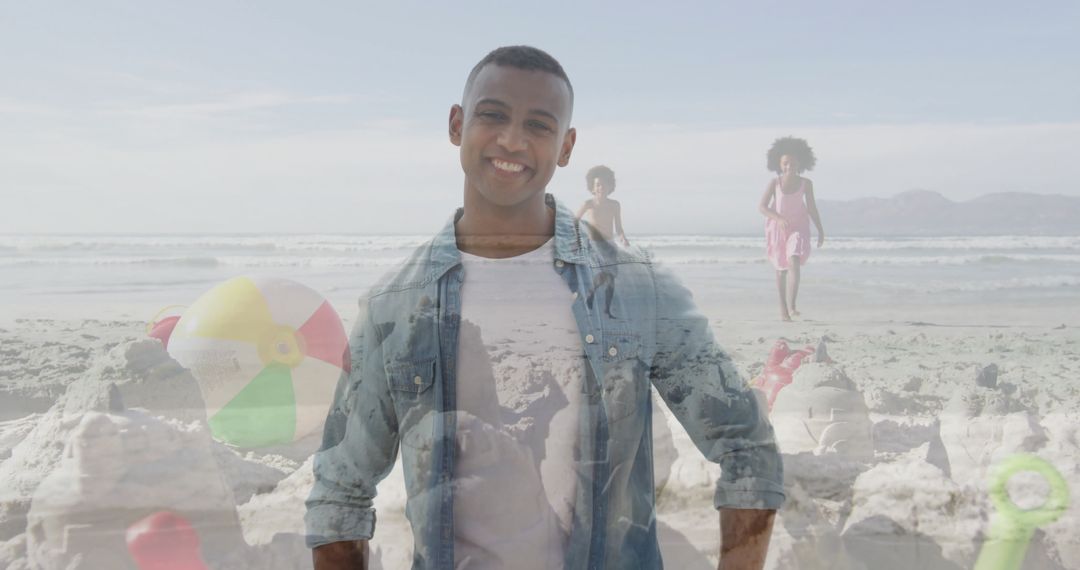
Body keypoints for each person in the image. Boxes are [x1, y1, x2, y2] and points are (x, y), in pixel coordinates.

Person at [306, 45, 785, 570]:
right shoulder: (393, 308)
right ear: (456, 124)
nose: (512, 140)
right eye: (493, 116)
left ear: (566, 146)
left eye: (538, 125)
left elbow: (745, 442)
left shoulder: (634, 289)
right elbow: (340, 492)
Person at [758, 136, 825, 322]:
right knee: (781, 270)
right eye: (785, 163)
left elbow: (811, 207)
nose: (789, 166)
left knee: (794, 260)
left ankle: (793, 305)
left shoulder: (806, 184)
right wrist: (778, 218)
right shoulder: (774, 183)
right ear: (780, 165)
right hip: (778, 228)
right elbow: (762, 207)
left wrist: (820, 229)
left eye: (793, 163)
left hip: (798, 227)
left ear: (800, 163)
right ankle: (784, 311)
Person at [575, 165, 629, 246]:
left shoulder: (615, 205)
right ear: (592, 187)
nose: (601, 187)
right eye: (598, 185)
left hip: (609, 245)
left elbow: (618, 228)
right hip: (593, 245)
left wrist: (623, 238)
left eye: (604, 184)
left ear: (610, 186)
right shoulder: (587, 204)